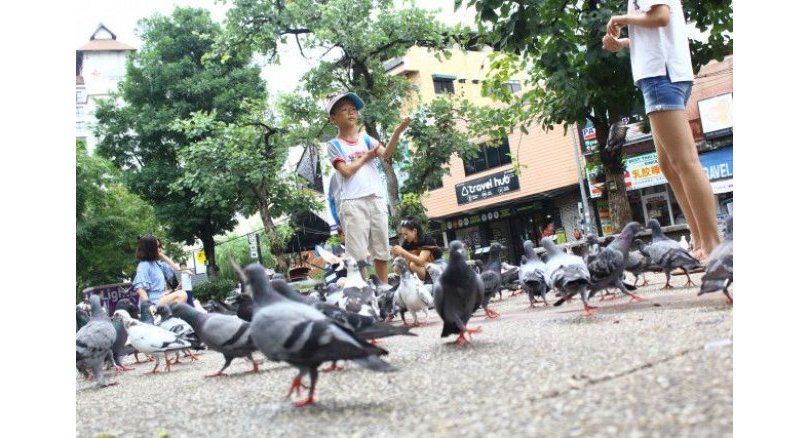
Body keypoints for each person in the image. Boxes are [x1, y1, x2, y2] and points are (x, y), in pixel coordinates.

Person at [602, 0, 719, 261]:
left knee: (685, 162)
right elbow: (657, 33)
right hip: (663, 75)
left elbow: (661, 17)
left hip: (660, 77)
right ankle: (700, 241)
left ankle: (713, 246)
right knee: (670, 166)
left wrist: (624, 19)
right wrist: (622, 43)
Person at [325, 92, 411, 284]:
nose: (351, 113)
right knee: (357, 257)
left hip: (376, 199)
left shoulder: (366, 138)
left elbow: (386, 154)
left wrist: (397, 131)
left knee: (381, 251)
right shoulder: (334, 145)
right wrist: (366, 157)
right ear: (333, 118)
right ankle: (363, 297)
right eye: (344, 110)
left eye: (353, 109)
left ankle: (384, 294)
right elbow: (346, 171)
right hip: (352, 203)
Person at [132, 235, 189, 307]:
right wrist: (150, 308)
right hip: (152, 304)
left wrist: (163, 257)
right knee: (182, 295)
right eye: (157, 247)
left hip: (161, 298)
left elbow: (180, 272)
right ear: (150, 249)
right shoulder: (144, 265)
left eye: (159, 246)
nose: (159, 249)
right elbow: (140, 289)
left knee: (185, 292)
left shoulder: (157, 264)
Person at [390, 217, 445, 282]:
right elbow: (398, 266)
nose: (404, 237)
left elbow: (420, 261)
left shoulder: (427, 240)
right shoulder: (407, 243)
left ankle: (431, 282)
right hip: (424, 266)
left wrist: (403, 252)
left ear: (415, 231)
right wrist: (395, 255)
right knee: (398, 266)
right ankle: (411, 282)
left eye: (406, 234)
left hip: (437, 265)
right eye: (403, 235)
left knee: (413, 265)